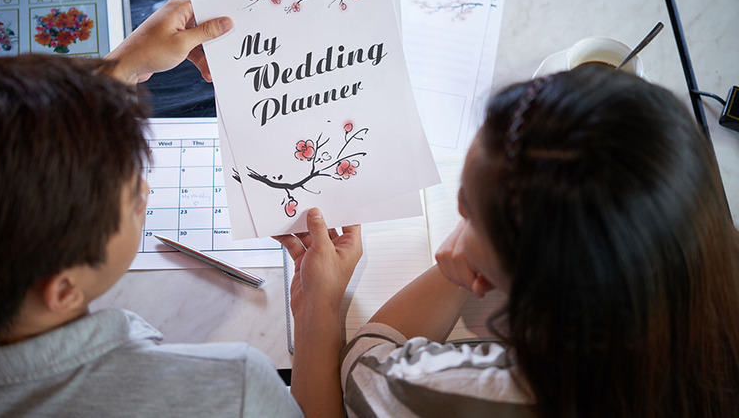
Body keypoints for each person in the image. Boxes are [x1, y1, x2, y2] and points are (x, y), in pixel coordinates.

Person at [280, 65, 739, 417]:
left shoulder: (493, 393)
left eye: (468, 211)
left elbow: (365, 368)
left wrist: (317, 308)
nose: (458, 220)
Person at [0, 0, 303, 417]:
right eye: (132, 198)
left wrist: (120, 68)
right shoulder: (232, 388)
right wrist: (319, 313)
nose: (145, 190)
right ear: (63, 290)